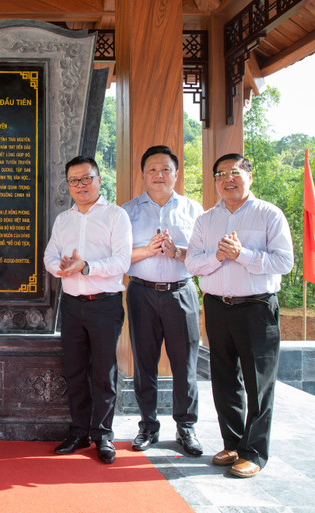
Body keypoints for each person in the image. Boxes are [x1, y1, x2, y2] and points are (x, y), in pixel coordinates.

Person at [186, 153, 293, 478]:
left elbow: (284, 262)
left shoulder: (268, 215)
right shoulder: (206, 220)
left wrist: (242, 255)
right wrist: (219, 257)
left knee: (259, 383)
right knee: (224, 378)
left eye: (234, 172)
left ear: (249, 175)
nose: (227, 180)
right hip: (218, 306)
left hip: (256, 308)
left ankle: (254, 452)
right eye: (220, 174)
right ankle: (232, 443)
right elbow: (192, 263)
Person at [43, 156, 132, 464]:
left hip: (104, 304)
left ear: (98, 178)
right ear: (68, 185)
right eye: (74, 181)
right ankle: (79, 432)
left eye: (86, 179)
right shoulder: (63, 219)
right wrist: (61, 269)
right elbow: (50, 255)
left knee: (104, 372)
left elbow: (123, 261)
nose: (80, 186)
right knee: (76, 371)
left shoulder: (116, 216)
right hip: (72, 305)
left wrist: (87, 267)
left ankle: (103, 435)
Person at [122, 145, 204, 456]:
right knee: (144, 362)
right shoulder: (126, 212)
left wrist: (177, 252)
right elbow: (118, 258)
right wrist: (147, 250)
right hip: (142, 292)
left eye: (166, 169)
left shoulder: (194, 210)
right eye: (152, 170)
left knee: (185, 363)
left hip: (181, 292)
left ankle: (186, 426)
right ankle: (148, 425)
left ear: (176, 173)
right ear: (142, 174)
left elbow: (205, 256)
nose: (159, 175)